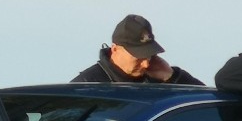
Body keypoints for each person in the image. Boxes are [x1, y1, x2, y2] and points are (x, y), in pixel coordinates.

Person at [72, 14, 204, 84]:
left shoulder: (158, 81)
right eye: (139, 57)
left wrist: (172, 77)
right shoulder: (86, 86)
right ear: (115, 49)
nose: (146, 64)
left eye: (149, 55)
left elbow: (208, 108)